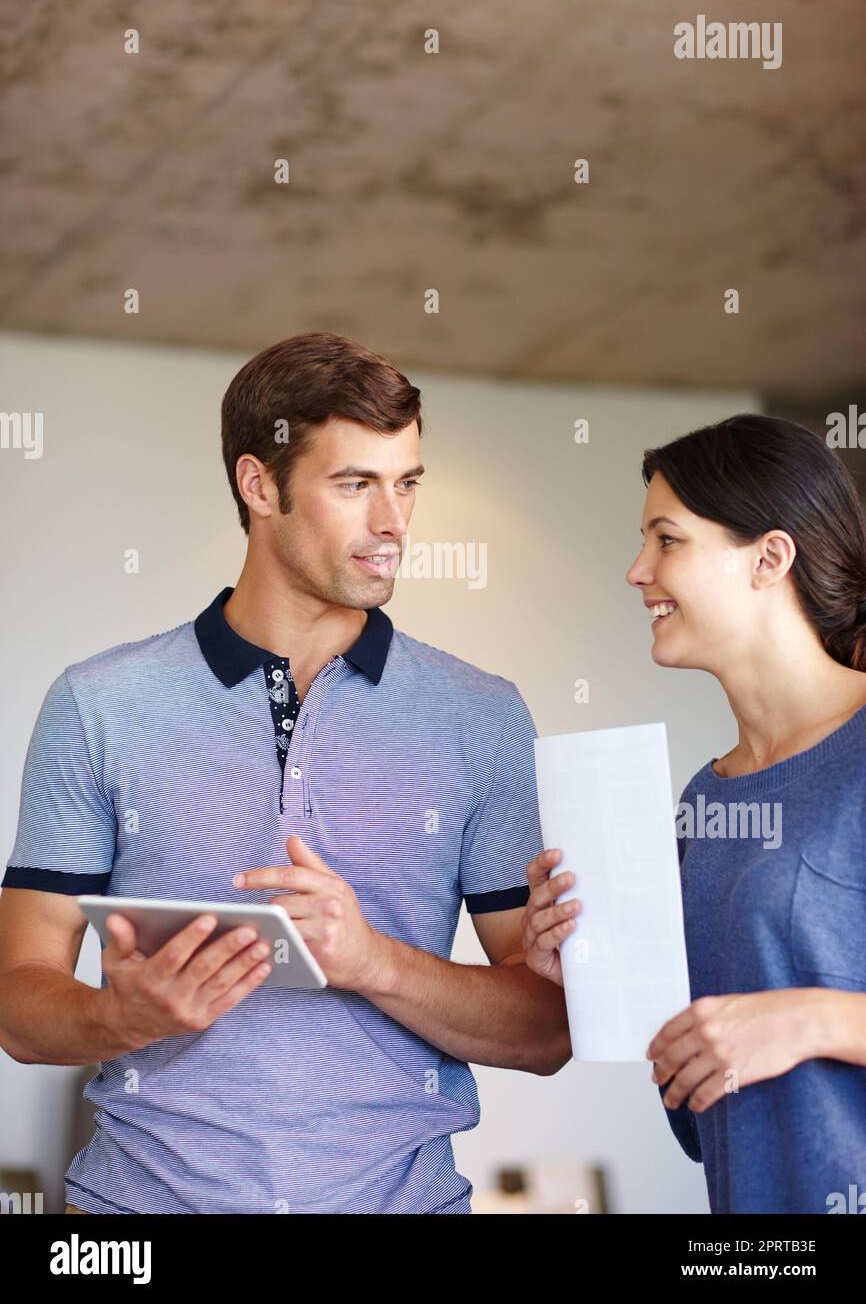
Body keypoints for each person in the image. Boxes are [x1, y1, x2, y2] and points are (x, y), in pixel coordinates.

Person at [0, 331, 570, 1215]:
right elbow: (16, 1004)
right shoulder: (98, 703)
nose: (395, 524)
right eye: (355, 485)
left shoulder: (481, 718)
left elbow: (548, 1028)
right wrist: (127, 1017)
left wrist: (372, 960)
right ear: (258, 485)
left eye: (407, 482)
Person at [522, 413, 866, 1214]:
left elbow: (780, 1027)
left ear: (769, 558)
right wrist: (586, 967)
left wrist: (808, 1020)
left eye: (667, 540)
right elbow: (696, 1109)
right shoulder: (702, 806)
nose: (637, 570)